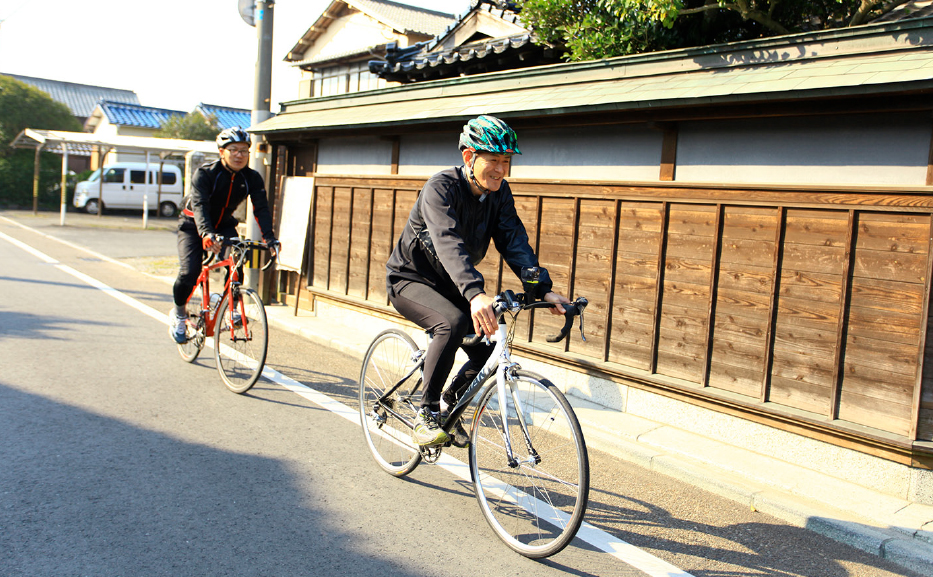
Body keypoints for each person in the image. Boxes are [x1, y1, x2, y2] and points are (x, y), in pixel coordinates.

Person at [386, 115, 570, 447]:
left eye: (506, 160)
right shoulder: (440, 188)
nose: (501, 169)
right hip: (411, 279)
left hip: (453, 284)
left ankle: (449, 403)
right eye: (493, 160)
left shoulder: (498, 194)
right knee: (452, 323)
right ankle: (425, 414)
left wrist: (542, 289)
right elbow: (447, 242)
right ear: (469, 157)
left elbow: (514, 240)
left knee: (491, 337)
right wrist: (474, 293)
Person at [169, 127, 279, 343]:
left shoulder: (252, 178)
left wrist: (270, 238)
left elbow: (261, 209)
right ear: (222, 152)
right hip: (193, 225)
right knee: (189, 272)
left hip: (224, 225)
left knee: (236, 261)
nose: (239, 155)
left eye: (244, 151)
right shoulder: (205, 174)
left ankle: (229, 306)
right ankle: (179, 314)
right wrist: (205, 233)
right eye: (234, 150)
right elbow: (199, 205)